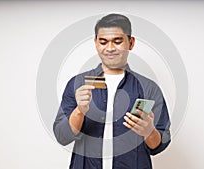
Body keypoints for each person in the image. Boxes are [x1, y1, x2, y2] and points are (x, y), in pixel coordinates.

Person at [53, 13, 171, 169]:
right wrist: (79, 111)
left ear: (131, 42)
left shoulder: (148, 88)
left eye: (117, 41)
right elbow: (62, 136)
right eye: (103, 42)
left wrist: (149, 131)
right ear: (96, 43)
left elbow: (159, 146)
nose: (110, 48)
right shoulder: (77, 84)